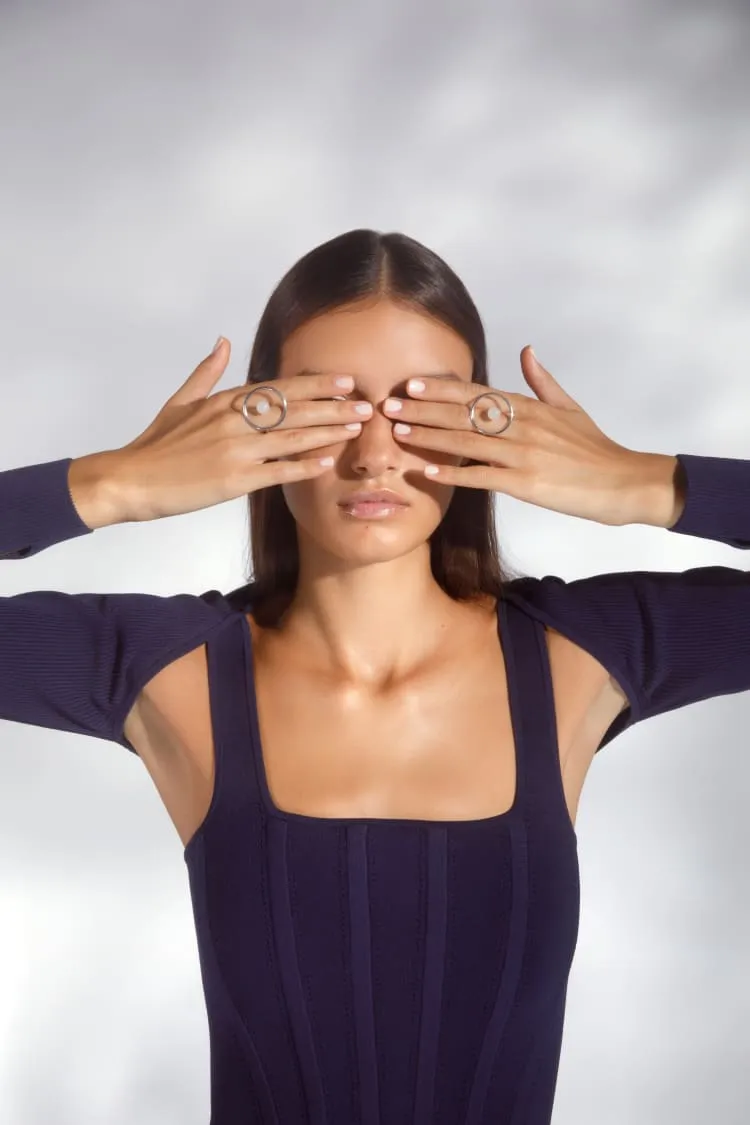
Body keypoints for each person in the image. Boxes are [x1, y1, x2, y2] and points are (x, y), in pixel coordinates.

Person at [2, 228, 749, 1125]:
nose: (375, 455)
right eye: (331, 406)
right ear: (252, 421)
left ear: (490, 422)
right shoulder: (167, 667)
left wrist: (644, 485)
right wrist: (112, 485)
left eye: (419, 406)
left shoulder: (576, 654)